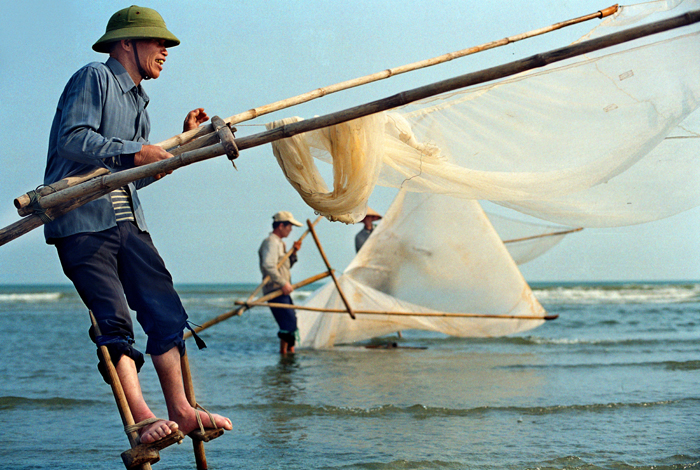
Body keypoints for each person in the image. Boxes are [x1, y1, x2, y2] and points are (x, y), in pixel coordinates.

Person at [43, 6, 232, 445]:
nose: (165, 51)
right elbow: (74, 138)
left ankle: (183, 410)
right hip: (81, 222)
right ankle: (143, 418)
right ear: (127, 43)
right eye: (157, 42)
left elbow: (133, 174)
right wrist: (136, 153)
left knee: (165, 311)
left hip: (129, 222)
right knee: (115, 321)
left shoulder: (139, 102)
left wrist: (169, 154)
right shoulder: (94, 77)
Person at [258, 211, 304, 354]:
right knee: (288, 323)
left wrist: (294, 252)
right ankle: (285, 355)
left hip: (282, 288)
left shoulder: (280, 244)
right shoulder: (271, 242)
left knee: (291, 321)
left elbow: (285, 266)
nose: (291, 230)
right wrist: (283, 283)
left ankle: (288, 352)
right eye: (289, 226)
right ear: (281, 225)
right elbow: (268, 265)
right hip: (275, 289)